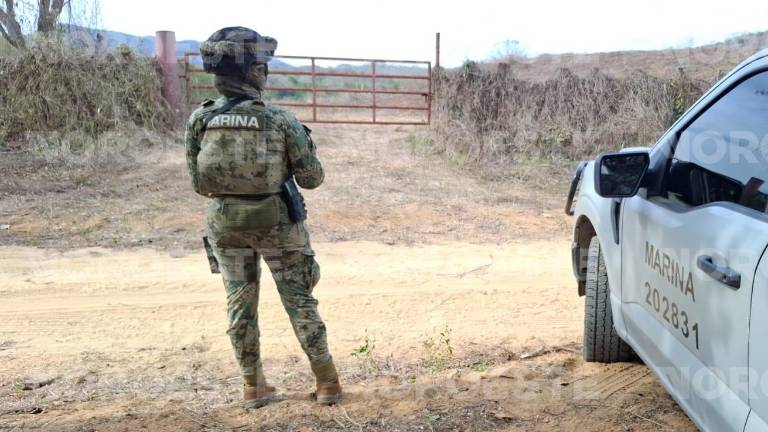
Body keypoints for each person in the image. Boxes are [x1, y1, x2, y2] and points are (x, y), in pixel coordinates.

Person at [184, 26, 341, 408]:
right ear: (255, 73)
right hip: (278, 225)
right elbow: (312, 179)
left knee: (240, 305)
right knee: (299, 300)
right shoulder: (280, 120)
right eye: (263, 67)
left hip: (226, 225)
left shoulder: (200, 120)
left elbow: (198, 183)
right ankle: (327, 384)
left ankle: (253, 387)